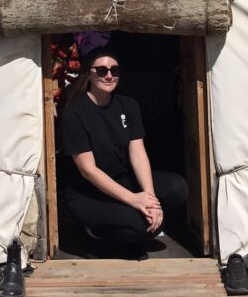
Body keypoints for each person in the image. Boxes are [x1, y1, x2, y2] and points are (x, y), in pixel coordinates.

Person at [60, 47, 189, 255]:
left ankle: (130, 220)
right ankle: (94, 232)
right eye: (101, 70)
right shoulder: (75, 112)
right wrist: (133, 200)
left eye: (114, 70)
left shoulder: (128, 105)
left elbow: (138, 154)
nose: (109, 75)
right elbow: (88, 170)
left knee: (177, 188)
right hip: (87, 193)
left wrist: (150, 199)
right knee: (142, 229)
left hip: (122, 180)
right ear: (89, 74)